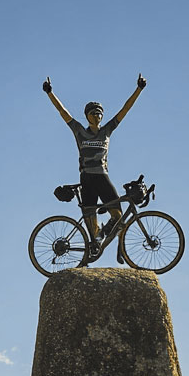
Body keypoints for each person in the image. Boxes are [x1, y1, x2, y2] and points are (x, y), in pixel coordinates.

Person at [43, 74, 146, 251]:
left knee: (118, 215)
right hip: (87, 177)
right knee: (90, 214)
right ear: (87, 116)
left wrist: (139, 89)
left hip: (101, 176)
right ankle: (94, 241)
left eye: (100, 113)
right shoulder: (79, 131)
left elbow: (125, 110)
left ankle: (102, 236)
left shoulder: (107, 130)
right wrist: (50, 93)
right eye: (93, 113)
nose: (97, 115)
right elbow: (63, 112)